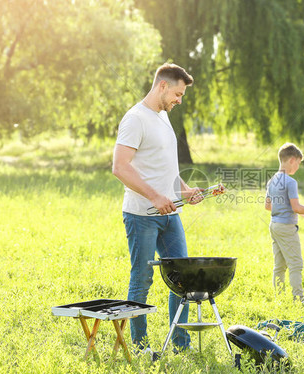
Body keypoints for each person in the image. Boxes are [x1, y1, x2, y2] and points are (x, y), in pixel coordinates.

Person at [112, 62, 203, 352]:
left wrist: (185, 191)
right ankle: (140, 347)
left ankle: (180, 344)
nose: (179, 101)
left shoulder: (164, 116)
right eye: (177, 94)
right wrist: (154, 197)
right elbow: (120, 167)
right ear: (162, 85)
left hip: (171, 215)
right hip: (142, 215)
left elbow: (165, 169)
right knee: (142, 279)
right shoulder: (135, 119)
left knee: (182, 279)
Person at [265, 143, 304, 302]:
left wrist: (281, 208)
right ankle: (298, 299)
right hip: (286, 227)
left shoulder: (272, 180)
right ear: (292, 160)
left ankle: (279, 297)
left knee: (279, 266)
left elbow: (267, 206)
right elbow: (296, 207)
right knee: (296, 265)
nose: (298, 167)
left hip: (274, 225)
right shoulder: (290, 182)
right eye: (299, 163)